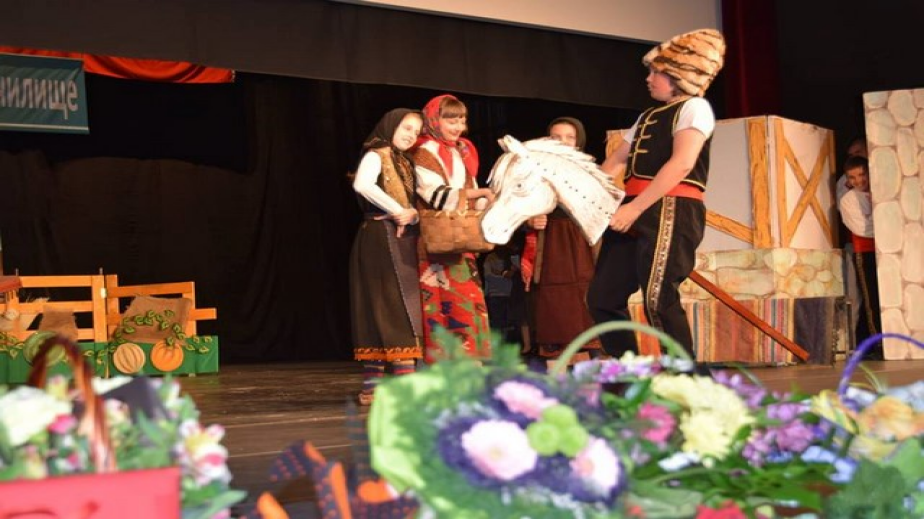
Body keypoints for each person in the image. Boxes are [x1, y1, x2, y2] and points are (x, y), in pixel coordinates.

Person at [587, 29, 726, 359]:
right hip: (632, 206)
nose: (648, 79)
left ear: (679, 76)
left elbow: (682, 163)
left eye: (656, 73)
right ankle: (628, 369)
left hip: (672, 207)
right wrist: (586, 196)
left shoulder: (695, 107)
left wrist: (634, 209)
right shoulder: (647, 116)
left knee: (657, 298)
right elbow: (615, 162)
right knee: (603, 297)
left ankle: (684, 376)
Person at [349, 108, 424, 405]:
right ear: (390, 125)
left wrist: (412, 214)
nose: (411, 135)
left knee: (401, 305)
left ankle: (384, 385)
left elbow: (415, 203)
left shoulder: (405, 161)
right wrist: (397, 210)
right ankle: (382, 386)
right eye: (406, 127)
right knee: (385, 305)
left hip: (402, 238)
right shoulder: (376, 154)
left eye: (416, 131)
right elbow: (362, 184)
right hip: (380, 238)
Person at [410, 94, 494, 362]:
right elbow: (435, 194)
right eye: (451, 121)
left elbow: (472, 191)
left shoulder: (462, 152)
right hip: (437, 240)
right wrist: (478, 194)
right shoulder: (424, 152)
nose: (458, 127)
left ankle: (472, 363)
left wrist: (488, 202)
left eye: (461, 120)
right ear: (435, 120)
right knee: (441, 304)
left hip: (461, 239)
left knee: (468, 302)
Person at [521, 117, 602, 361]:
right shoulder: (535, 170)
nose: (563, 142)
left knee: (586, 299)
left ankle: (589, 374)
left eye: (569, 137)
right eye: (556, 137)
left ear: (578, 142)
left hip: (583, 242)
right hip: (551, 242)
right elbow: (517, 207)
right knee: (554, 303)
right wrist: (530, 219)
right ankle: (557, 374)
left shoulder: (592, 170)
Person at [837, 155, 883, 360]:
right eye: (852, 177)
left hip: (887, 251)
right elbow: (862, 229)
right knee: (871, 299)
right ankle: (878, 343)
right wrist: (881, 217)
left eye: (862, 174)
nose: (858, 180)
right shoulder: (848, 200)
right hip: (865, 252)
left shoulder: (880, 192)